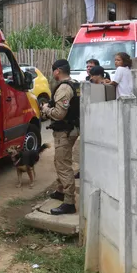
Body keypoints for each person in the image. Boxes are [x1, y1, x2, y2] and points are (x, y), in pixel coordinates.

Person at [40, 59, 79, 215]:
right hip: (68, 130)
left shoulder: (64, 88)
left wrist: (45, 109)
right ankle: (61, 190)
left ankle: (69, 202)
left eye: (53, 70)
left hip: (65, 131)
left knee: (63, 165)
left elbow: (59, 113)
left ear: (58, 71)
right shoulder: (73, 84)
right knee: (59, 161)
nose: (53, 73)